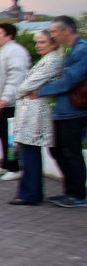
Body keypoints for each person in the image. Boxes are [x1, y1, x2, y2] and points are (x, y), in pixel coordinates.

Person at [36, 15, 87, 207]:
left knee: (70, 151)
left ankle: (77, 194)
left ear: (67, 30)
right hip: (63, 110)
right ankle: (70, 191)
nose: (53, 34)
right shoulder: (69, 49)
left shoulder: (81, 50)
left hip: (74, 111)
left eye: (55, 31)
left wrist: (40, 91)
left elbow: (70, 80)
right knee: (57, 149)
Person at [9, 30, 62, 205]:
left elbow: (27, 85)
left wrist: (20, 91)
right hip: (30, 112)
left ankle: (30, 194)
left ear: (53, 43)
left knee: (31, 153)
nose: (38, 45)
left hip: (37, 113)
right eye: (37, 42)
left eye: (43, 42)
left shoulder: (53, 60)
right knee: (28, 153)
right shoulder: (46, 59)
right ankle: (29, 192)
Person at [0, 22, 31, 179]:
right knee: (1, 132)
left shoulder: (15, 51)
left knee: (9, 135)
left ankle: (14, 167)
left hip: (9, 101)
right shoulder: (1, 51)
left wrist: (6, 97)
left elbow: (16, 76)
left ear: (9, 36)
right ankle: (5, 164)